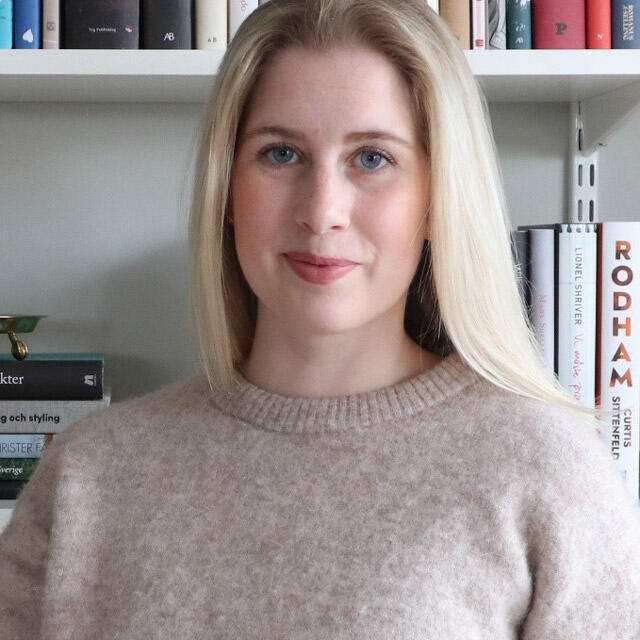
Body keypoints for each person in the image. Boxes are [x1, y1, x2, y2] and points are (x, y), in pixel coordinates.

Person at [2, 0, 640, 637]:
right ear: (225, 189)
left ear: (437, 198)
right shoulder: (92, 474)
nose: (321, 211)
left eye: (371, 158)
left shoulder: (547, 470)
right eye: (281, 154)